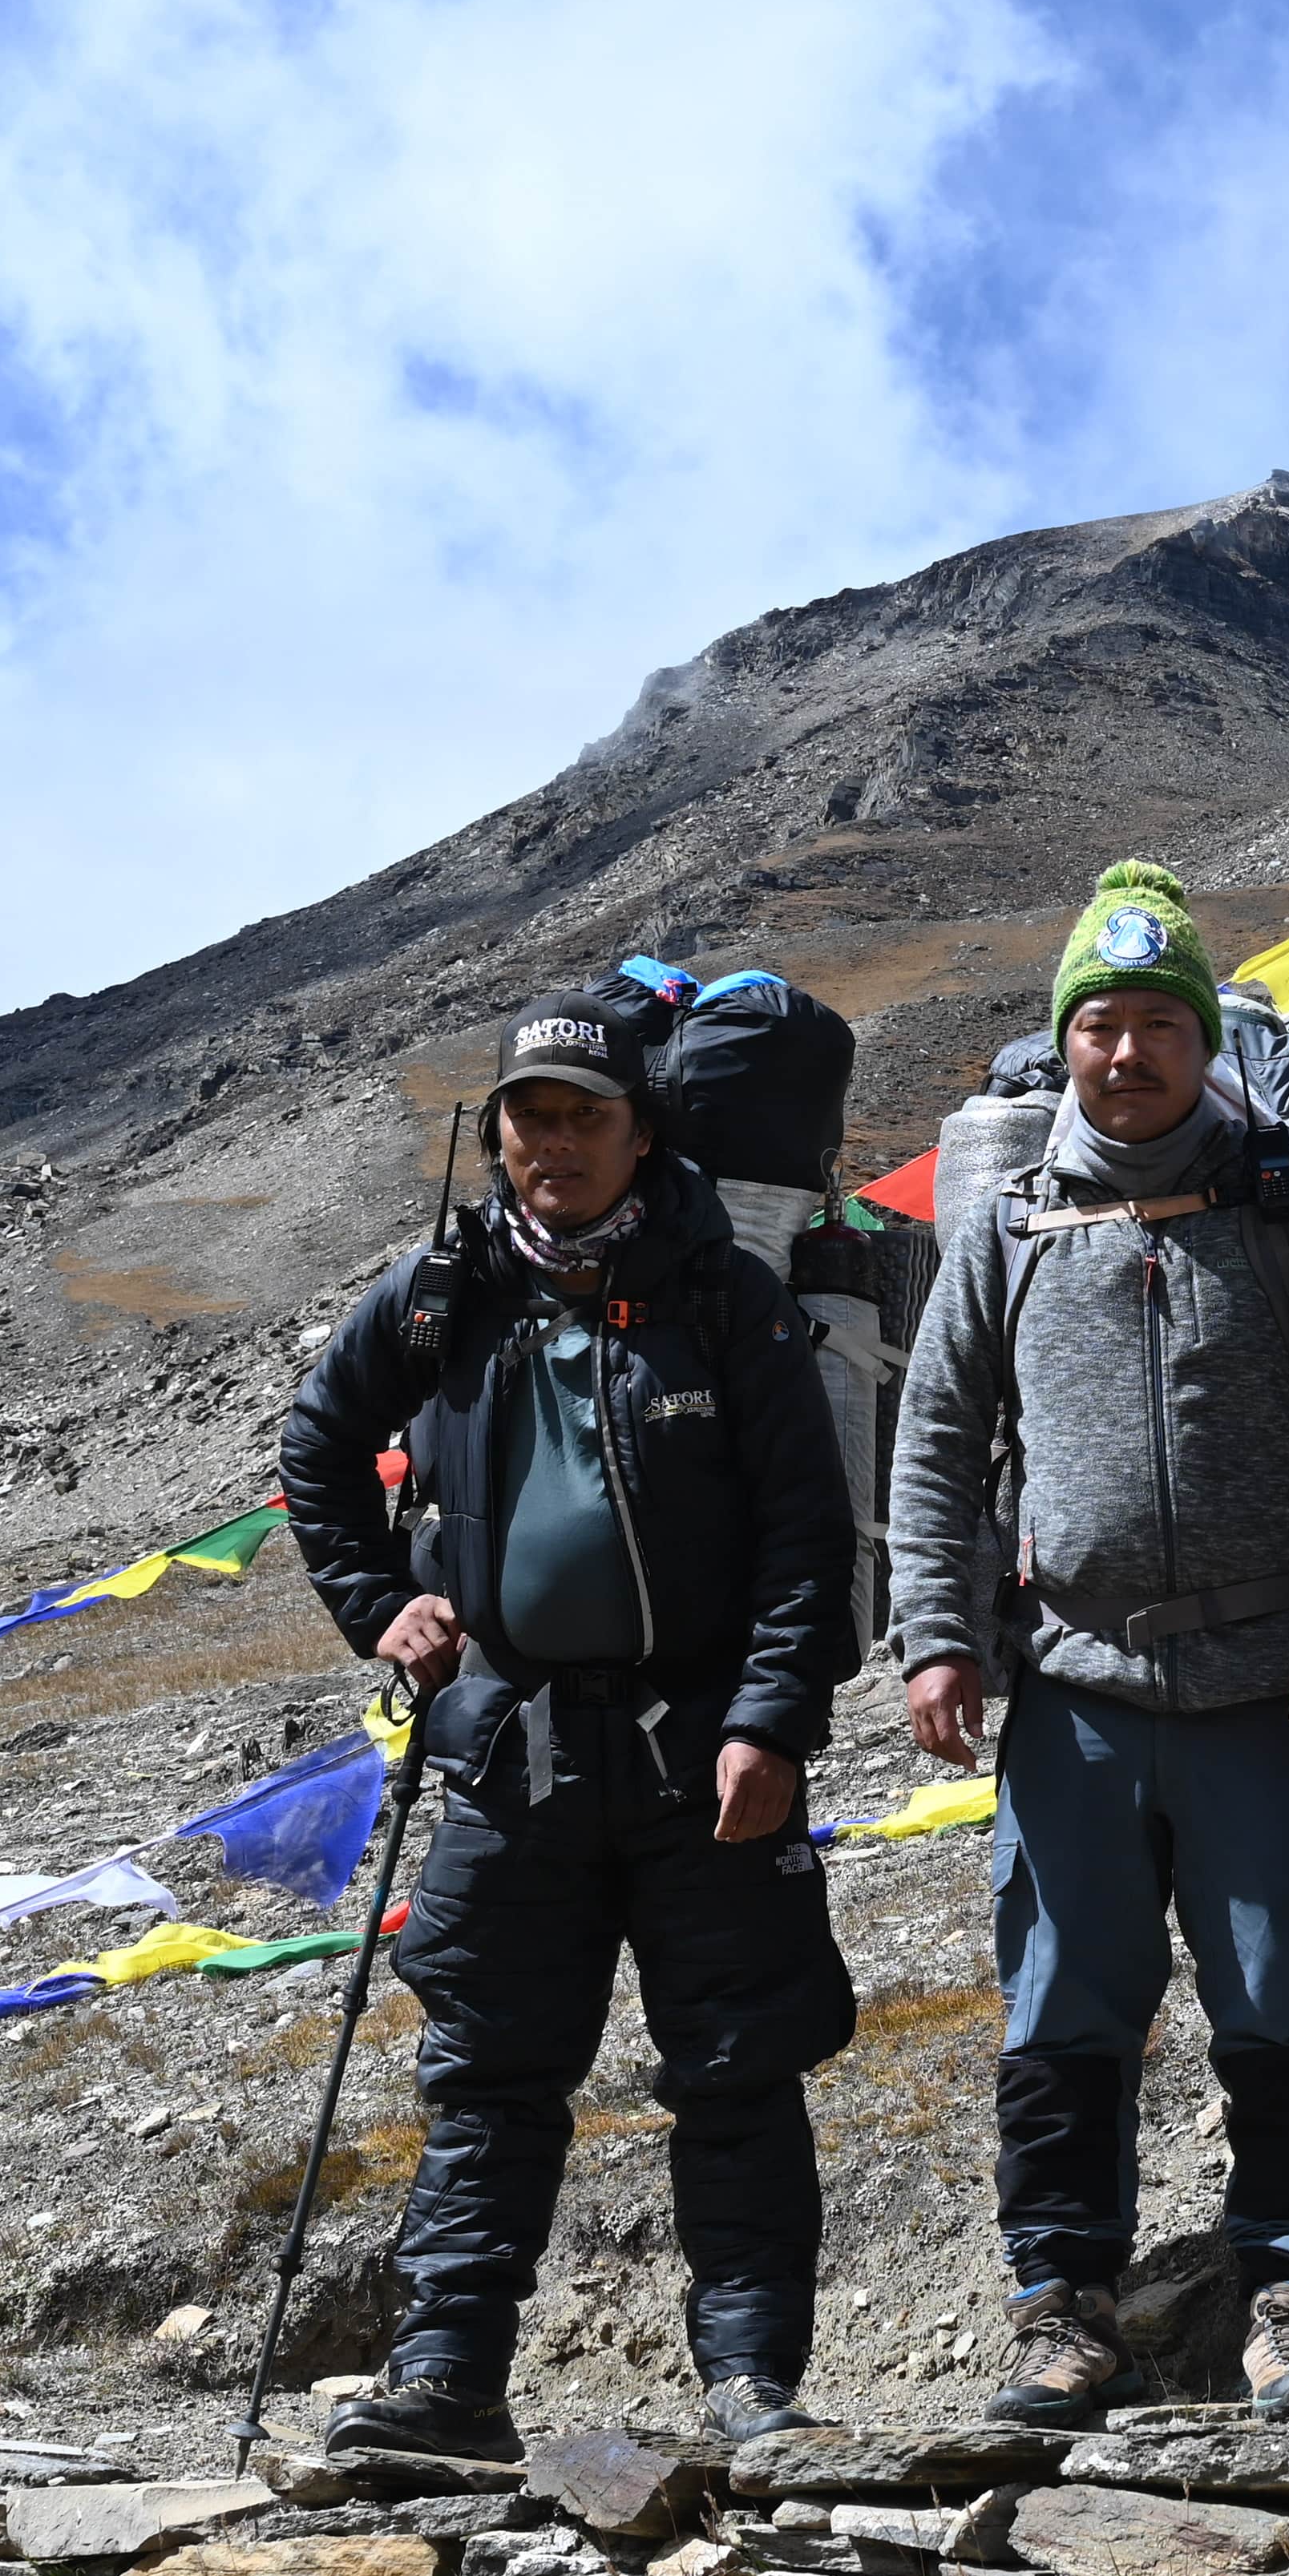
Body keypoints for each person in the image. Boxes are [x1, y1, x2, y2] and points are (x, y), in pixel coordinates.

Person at [270, 1006, 865, 2461]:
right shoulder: (438, 1294)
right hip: (505, 1751)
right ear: (499, 1141)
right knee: (486, 2074)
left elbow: (803, 1534)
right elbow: (317, 1449)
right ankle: (450, 2385)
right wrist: (380, 1610)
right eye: (528, 1118)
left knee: (737, 2070)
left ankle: (751, 2391)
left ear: (641, 1133)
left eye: (584, 1115)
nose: (553, 1143)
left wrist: (775, 1722)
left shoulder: (725, 1297)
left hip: (704, 1754)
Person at [884, 863, 1289, 2428]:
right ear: (1067, 1045)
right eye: (1099, 1026)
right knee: (1066, 2009)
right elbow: (936, 1444)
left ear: (1203, 1043)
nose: (1126, 1053)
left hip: (1272, 1682)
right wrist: (938, 1636)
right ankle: (1063, 2305)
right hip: (1073, 1691)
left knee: (1286, 1996)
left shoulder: (1284, 1205)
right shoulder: (1009, 1224)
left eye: (1156, 1026)